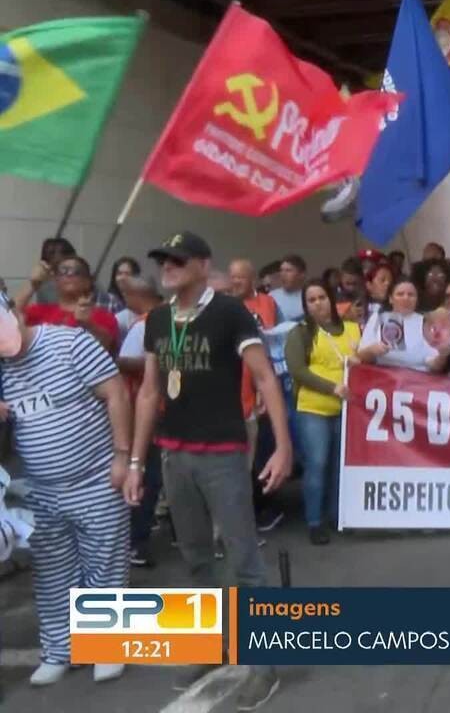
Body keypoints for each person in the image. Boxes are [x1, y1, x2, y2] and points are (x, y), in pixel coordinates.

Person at [129, 232, 291, 706]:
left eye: (178, 260)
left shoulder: (228, 312)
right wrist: (138, 460)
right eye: (163, 260)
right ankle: (210, 644)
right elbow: (148, 391)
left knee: (245, 561)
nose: (168, 267)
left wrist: (282, 447)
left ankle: (263, 665)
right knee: (196, 557)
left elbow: (263, 376)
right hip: (174, 453)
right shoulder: (158, 319)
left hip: (221, 452)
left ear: (203, 265)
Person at [0, 295, 137, 687]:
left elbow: (117, 394)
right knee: (52, 572)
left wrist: (122, 457)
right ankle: (59, 649)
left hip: (95, 477)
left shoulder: (70, 343)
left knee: (104, 566)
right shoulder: (2, 368)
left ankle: (106, 648)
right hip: (40, 489)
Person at [285, 281, 360, 545]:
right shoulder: (301, 333)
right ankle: (315, 521)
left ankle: (337, 516)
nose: (318, 303)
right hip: (313, 408)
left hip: (347, 409)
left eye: (322, 297)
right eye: (312, 299)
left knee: (340, 466)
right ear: (305, 305)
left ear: (332, 299)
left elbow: (365, 362)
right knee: (317, 464)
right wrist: (332, 387)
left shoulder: (353, 329)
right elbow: (297, 370)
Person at [229, 259, 286, 533]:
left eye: (240, 278)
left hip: (260, 391)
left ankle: (259, 512)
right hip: (231, 395)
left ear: (252, 279)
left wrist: (266, 388)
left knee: (258, 458)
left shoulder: (269, 304)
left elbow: (278, 342)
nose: (235, 282)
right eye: (232, 277)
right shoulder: (222, 306)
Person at [115, 276, 165, 567]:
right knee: (153, 478)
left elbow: (123, 363)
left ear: (133, 296)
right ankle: (137, 539)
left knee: (149, 477)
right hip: (159, 411)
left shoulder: (144, 324)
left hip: (153, 413)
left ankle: (136, 541)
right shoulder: (166, 320)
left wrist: (154, 364)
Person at [15, 255, 119, 353]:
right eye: (63, 271)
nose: (69, 274)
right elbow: (7, 319)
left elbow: (105, 349)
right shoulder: (38, 311)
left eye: (77, 271)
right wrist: (32, 284)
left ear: (88, 282)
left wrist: (88, 324)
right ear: (55, 280)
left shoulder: (104, 316)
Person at [357, 278, 450, 373]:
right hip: (382, 375)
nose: (406, 298)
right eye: (400, 294)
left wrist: (443, 356)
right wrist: (372, 350)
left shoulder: (426, 322)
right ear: (391, 299)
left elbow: (433, 364)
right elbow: (361, 355)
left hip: (417, 378)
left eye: (411, 295)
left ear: (417, 300)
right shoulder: (378, 318)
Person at [269, 254, 307, 322]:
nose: (283, 274)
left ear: (301, 275)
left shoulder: (309, 296)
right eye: (281, 270)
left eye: (288, 270)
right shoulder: (271, 297)